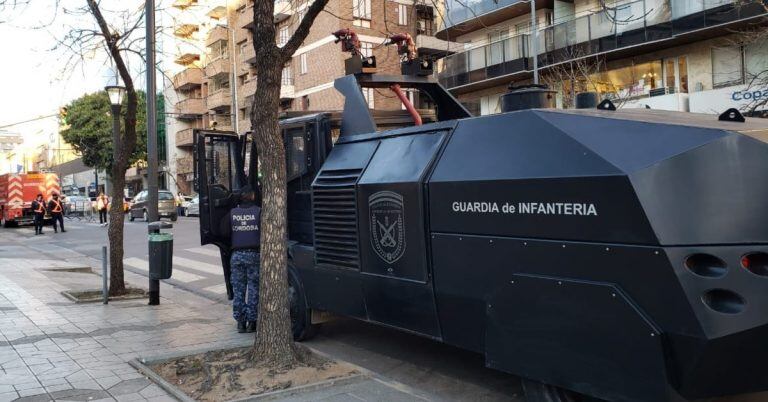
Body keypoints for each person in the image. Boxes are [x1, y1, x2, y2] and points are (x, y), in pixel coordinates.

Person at [228, 185, 261, 333]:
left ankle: (240, 322)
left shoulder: (232, 213)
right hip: (254, 255)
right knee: (254, 289)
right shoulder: (259, 212)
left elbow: (223, 231)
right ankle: (252, 322)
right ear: (253, 197)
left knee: (239, 290)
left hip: (237, 256)